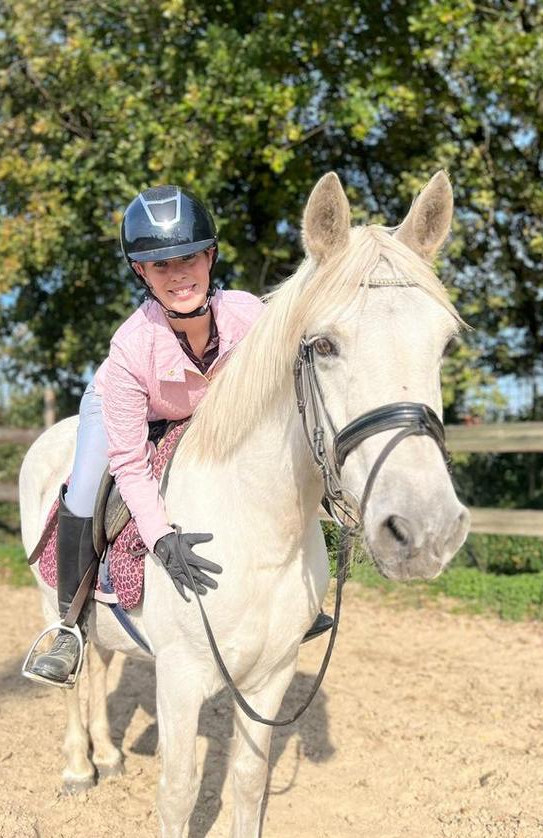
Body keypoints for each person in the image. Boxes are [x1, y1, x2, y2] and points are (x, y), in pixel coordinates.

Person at [24, 185, 333, 687]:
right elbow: (128, 461)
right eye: (161, 265)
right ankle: (70, 625)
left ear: (210, 256)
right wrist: (161, 538)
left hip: (204, 414)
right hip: (123, 409)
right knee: (83, 490)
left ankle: (293, 604)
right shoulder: (129, 345)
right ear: (140, 272)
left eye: (188, 257)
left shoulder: (251, 316)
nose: (179, 274)